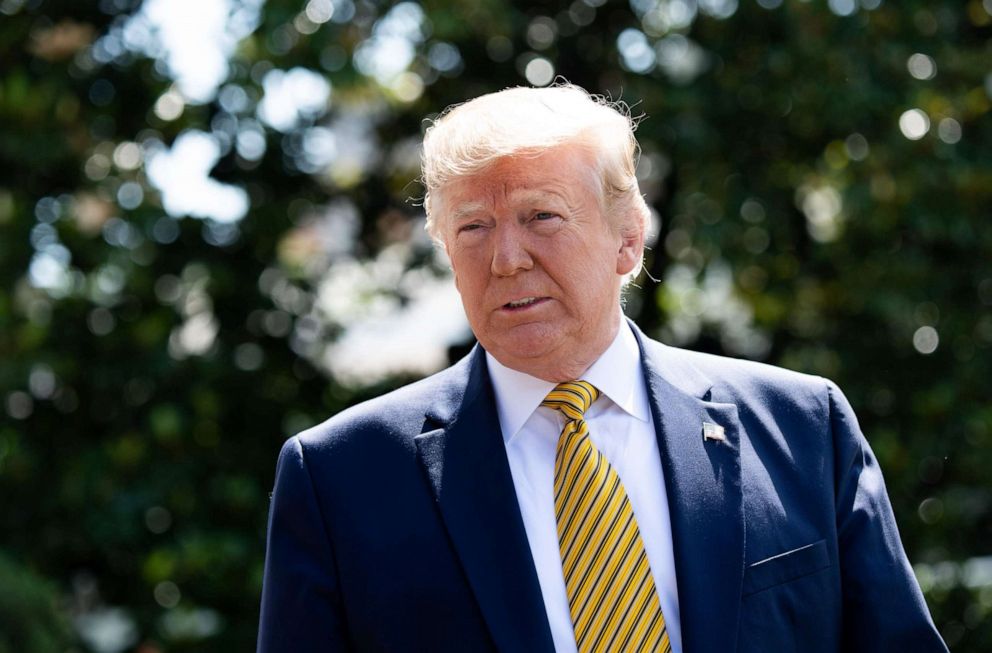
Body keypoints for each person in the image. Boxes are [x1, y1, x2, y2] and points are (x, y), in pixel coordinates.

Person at [257, 84, 947, 653]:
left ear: (628, 239)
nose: (506, 258)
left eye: (541, 216)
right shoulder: (341, 477)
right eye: (472, 226)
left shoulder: (802, 425)